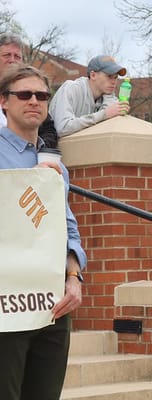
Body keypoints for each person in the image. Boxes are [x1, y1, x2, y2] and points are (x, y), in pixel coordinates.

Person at [0, 64, 87, 400]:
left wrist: (74, 277)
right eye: (24, 94)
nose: (34, 100)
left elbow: (66, 227)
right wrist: (26, 184)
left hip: (52, 304)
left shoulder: (55, 165)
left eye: (42, 95)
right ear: (4, 101)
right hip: (6, 304)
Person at [0, 33, 58, 147]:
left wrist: (39, 151)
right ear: (4, 101)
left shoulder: (33, 92)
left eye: (17, 56)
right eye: (7, 55)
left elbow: (49, 130)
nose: (12, 60)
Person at [49, 54, 129, 137]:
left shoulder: (108, 96)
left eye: (115, 77)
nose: (113, 82)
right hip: (51, 147)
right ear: (93, 75)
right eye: (109, 76)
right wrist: (104, 114)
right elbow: (63, 128)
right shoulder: (71, 89)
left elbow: (106, 131)